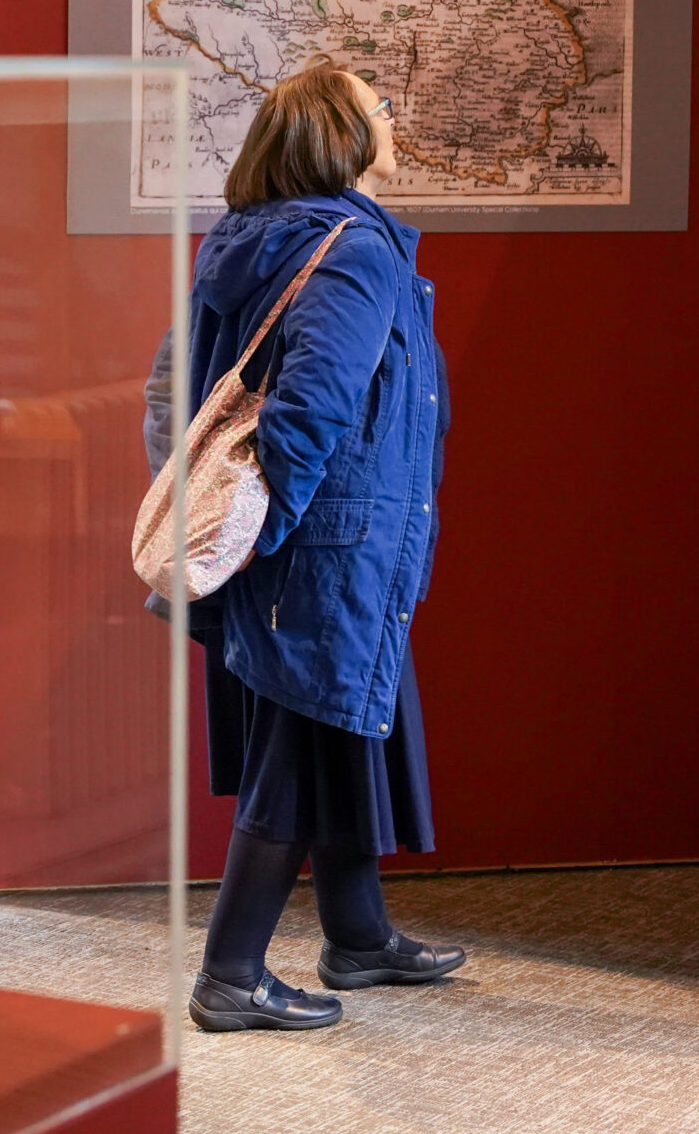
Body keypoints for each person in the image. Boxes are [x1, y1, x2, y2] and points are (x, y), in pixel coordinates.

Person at [146, 56, 463, 1033]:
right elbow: (314, 407)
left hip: (295, 540)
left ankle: (357, 936)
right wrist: (269, 533)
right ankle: (230, 973)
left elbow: (168, 388)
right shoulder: (353, 250)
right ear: (343, 136)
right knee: (299, 742)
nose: (392, 119)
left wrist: (232, 532)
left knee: (338, 723)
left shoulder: (243, 237)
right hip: (329, 539)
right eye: (380, 108)